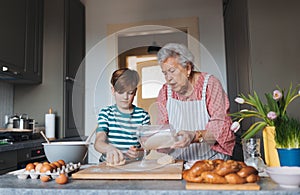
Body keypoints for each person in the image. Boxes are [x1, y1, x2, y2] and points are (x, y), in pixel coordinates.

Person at [156, 43, 235, 162]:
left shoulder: (210, 85)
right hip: (179, 163)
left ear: (188, 68)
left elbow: (221, 128)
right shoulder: (165, 92)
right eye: (165, 73)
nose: (168, 78)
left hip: (212, 161)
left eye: (172, 71)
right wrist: (152, 140)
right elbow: (163, 129)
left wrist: (194, 136)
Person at [94, 68, 150, 166]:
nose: (125, 97)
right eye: (121, 92)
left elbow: (147, 147)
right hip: (108, 165)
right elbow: (98, 142)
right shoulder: (106, 113)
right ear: (113, 90)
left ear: (135, 92)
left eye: (130, 92)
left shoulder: (143, 116)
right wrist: (108, 148)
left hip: (133, 166)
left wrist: (139, 152)